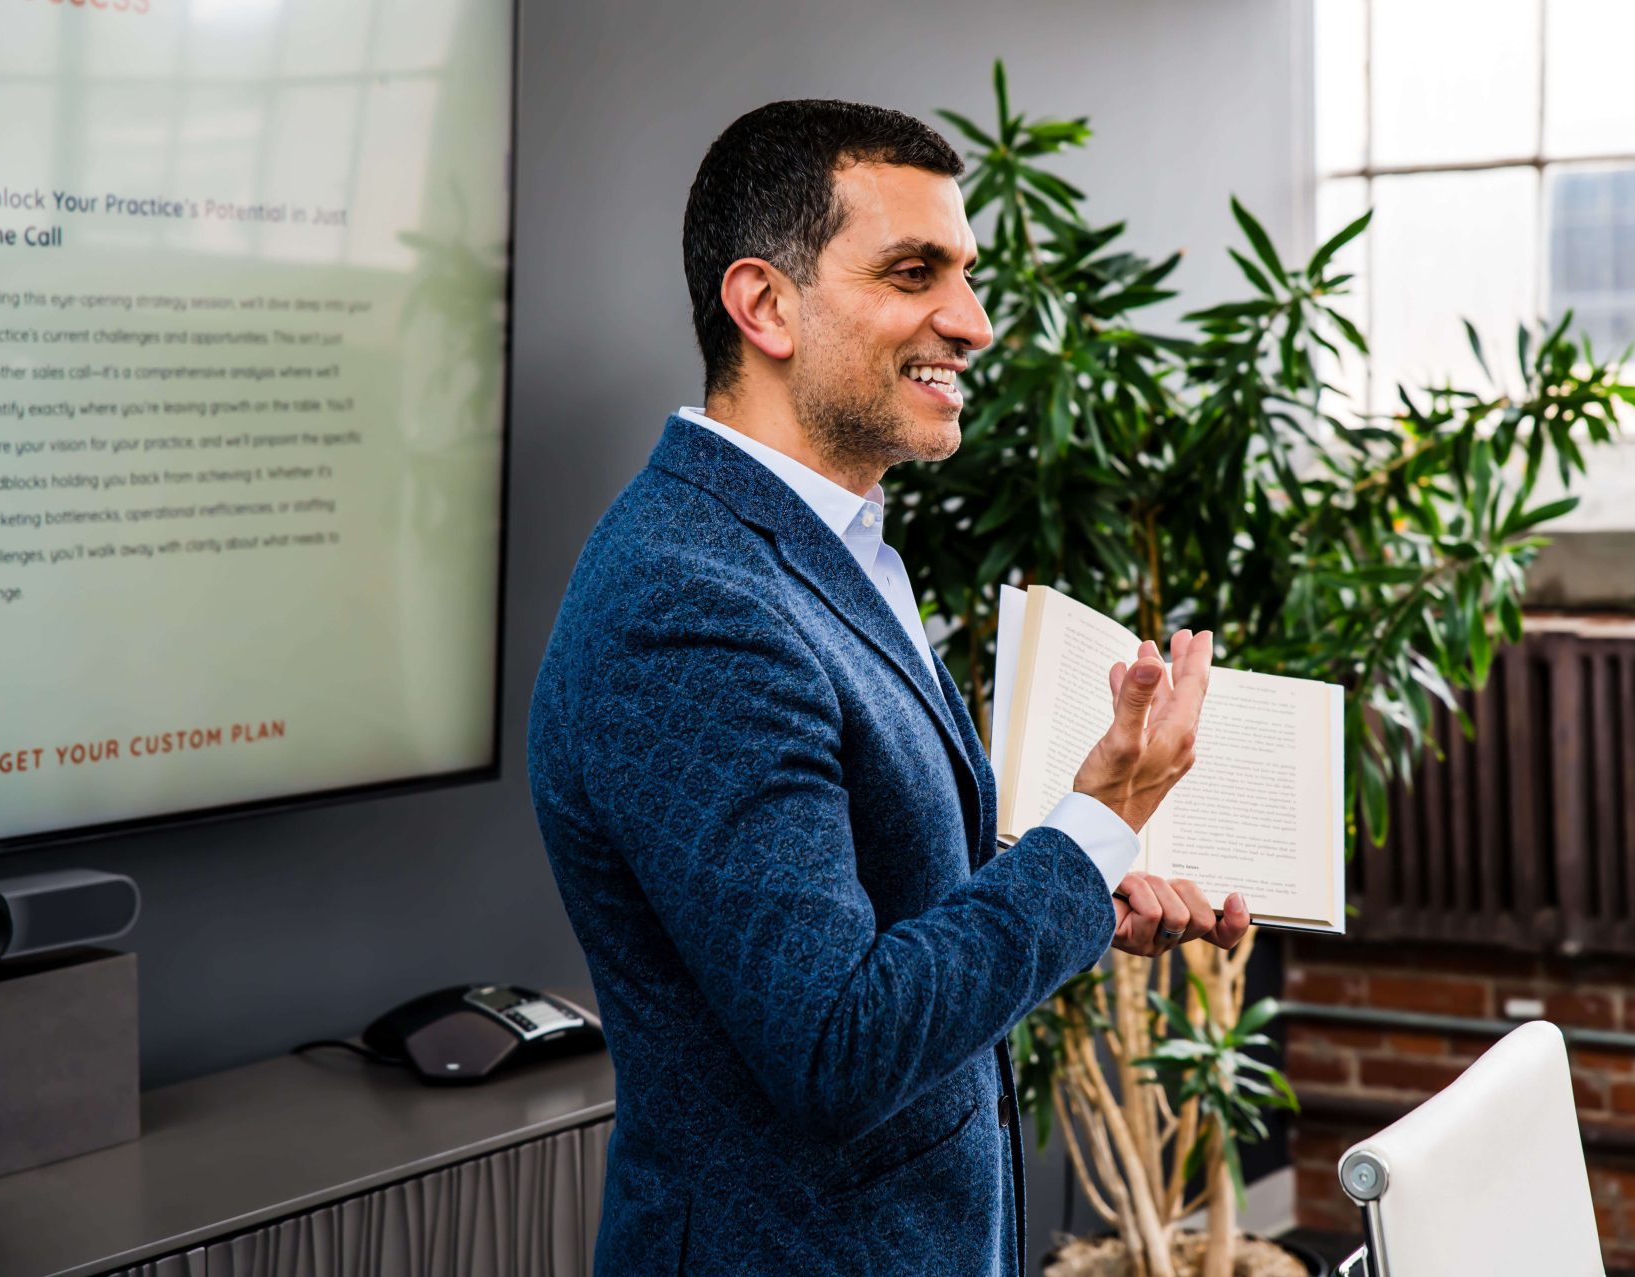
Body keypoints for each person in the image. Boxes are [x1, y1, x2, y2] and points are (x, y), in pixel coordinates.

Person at [528, 98, 1251, 1277]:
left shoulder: (835, 545)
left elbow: (894, 908)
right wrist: (1096, 822)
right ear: (764, 305)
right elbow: (834, 1043)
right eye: (914, 271)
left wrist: (1085, 883)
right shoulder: (689, 604)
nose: (969, 321)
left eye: (965, 273)